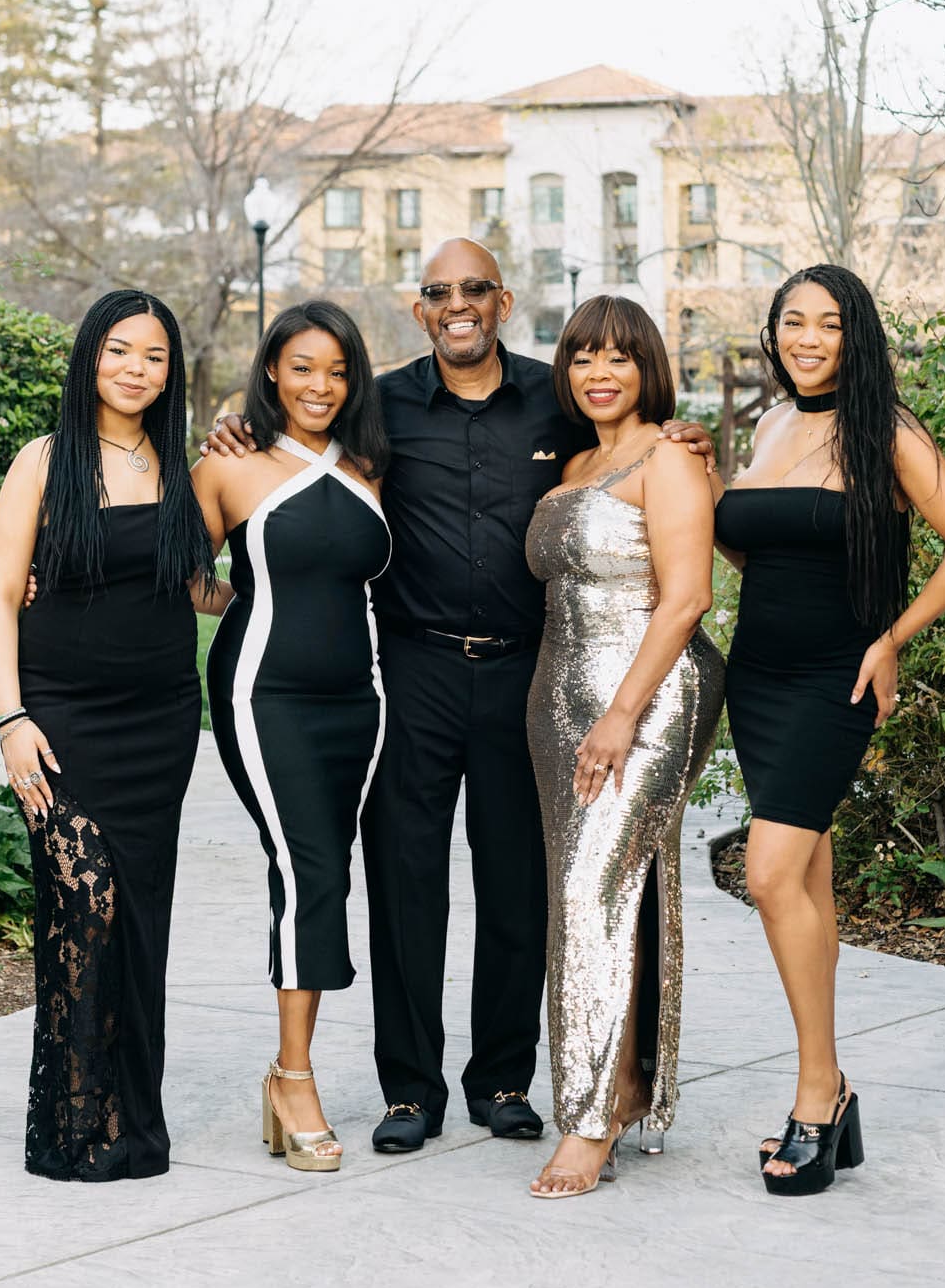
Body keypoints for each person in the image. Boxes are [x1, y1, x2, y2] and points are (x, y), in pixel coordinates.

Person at [205, 239, 716, 1154]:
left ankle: (504, 1080)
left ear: (503, 301)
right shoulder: (379, 407)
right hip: (411, 670)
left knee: (518, 878)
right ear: (420, 310)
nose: (458, 304)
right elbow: (298, 443)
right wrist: (233, 426)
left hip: (531, 673)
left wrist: (688, 441)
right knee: (405, 878)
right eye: (439, 291)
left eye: (475, 288)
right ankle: (410, 1089)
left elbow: (626, 447)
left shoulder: (557, 399)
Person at [713, 265, 945, 1197]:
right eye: (793, 321)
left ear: (856, 336)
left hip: (834, 680)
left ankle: (817, 1093)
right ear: (774, 333)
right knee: (806, 879)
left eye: (829, 324)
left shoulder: (887, 429)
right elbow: (754, 545)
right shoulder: (769, 423)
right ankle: (830, 1092)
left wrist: (891, 639)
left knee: (768, 874)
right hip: (757, 677)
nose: (808, 339)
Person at [0, 290, 217, 1181]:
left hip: (161, 722)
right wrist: (11, 719)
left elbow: (195, 588)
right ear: (90, 355)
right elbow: (0, 597)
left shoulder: (179, 467)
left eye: (154, 356)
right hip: (61, 723)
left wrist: (289, 583)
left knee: (140, 923)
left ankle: (133, 1126)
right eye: (119, 349)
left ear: (170, 372)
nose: (135, 369)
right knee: (84, 911)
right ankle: (76, 1125)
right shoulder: (44, 460)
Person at [524, 297, 725, 1199]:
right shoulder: (575, 464)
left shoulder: (669, 458)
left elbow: (687, 600)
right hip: (556, 697)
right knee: (602, 895)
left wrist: (619, 715)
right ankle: (626, 1085)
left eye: (618, 358)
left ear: (648, 369)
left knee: (589, 890)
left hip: (646, 696)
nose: (598, 374)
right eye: (581, 358)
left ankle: (588, 1119)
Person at [194, 301, 390, 1173]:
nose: (320, 386)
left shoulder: (369, 465)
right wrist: (241, 602)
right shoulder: (229, 463)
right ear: (271, 369)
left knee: (323, 870)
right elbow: (174, 571)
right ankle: (296, 1077)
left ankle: (287, 1072)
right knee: (310, 869)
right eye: (303, 367)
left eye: (338, 371)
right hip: (263, 694)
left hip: (360, 700)